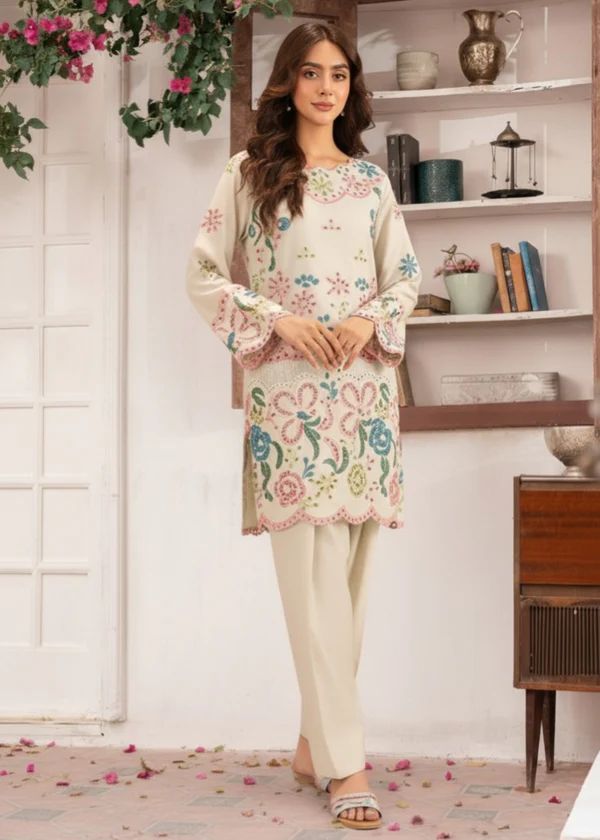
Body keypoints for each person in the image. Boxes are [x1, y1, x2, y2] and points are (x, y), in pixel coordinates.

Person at [185, 20, 422, 831]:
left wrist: (365, 322)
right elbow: (202, 273)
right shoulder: (249, 174)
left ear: (352, 88)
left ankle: (313, 743)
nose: (327, 87)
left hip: (364, 399)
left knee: (350, 585)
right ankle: (347, 765)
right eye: (312, 73)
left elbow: (405, 278)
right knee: (312, 587)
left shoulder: (369, 183)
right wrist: (277, 320)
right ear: (287, 82)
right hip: (289, 400)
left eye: (340, 75)